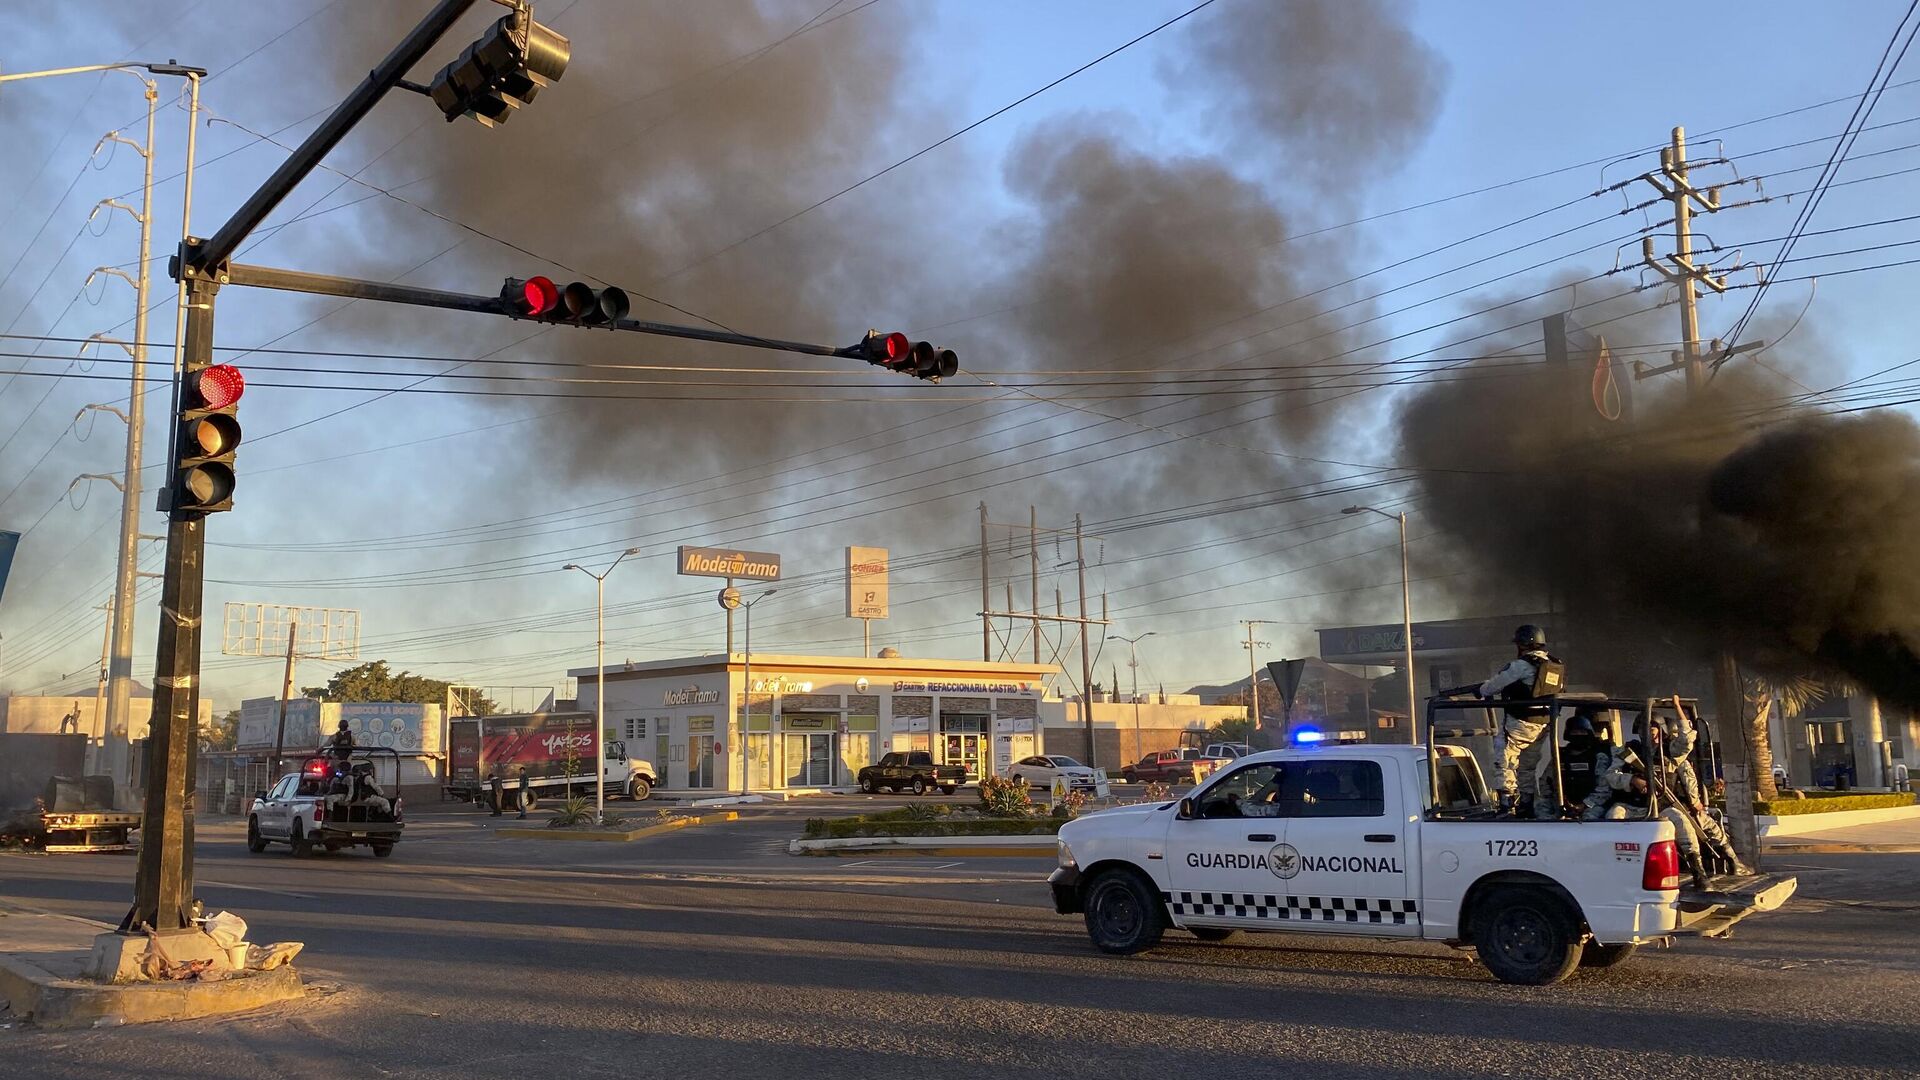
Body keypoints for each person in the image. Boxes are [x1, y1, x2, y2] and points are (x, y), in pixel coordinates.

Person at [1600, 716, 1751, 886]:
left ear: (1661, 729)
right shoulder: (1627, 752)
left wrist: (1695, 802)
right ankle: (1614, 872)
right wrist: (1632, 780)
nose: (1647, 731)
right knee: (1612, 818)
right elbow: (1610, 776)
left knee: (1684, 824)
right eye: (1643, 727)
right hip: (1631, 805)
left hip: (1663, 805)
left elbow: (1688, 776)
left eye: (1652, 727)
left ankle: (1699, 873)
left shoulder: (1671, 753)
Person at [1478, 624, 1562, 816]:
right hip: (1543, 725)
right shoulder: (1553, 664)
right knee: (1527, 765)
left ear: (1523, 645)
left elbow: (1490, 688)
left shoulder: (1521, 666)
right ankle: (1526, 803)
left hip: (1520, 724)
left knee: (1504, 760)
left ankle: (1507, 804)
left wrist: (1481, 689)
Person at [1559, 706, 1614, 821]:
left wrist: (1584, 805)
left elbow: (1604, 788)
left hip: (1593, 805)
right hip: (1562, 803)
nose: (1578, 735)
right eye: (1575, 732)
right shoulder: (1561, 756)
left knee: (1588, 819)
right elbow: (1546, 784)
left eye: (1582, 732)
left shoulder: (1599, 756)